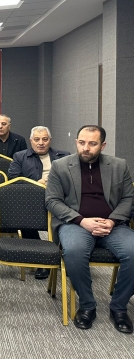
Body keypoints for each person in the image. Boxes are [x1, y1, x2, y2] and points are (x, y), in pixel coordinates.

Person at [45, 125, 134, 334]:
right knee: (74, 252)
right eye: (81, 142)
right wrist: (82, 220)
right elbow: (52, 200)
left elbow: (128, 199)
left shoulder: (119, 165)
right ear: (76, 142)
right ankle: (87, 305)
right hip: (76, 224)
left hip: (112, 225)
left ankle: (119, 307)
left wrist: (112, 221)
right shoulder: (60, 166)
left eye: (92, 144)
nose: (86, 148)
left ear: (102, 145)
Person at [8, 126, 70, 279]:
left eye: (44, 139)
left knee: (67, 220)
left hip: (60, 198)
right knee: (24, 217)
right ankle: (42, 259)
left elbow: (74, 179)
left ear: (50, 140)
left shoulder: (64, 156)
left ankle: (63, 257)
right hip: (32, 200)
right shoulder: (20, 156)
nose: (41, 143)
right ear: (31, 141)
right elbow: (13, 180)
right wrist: (36, 184)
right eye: (37, 139)